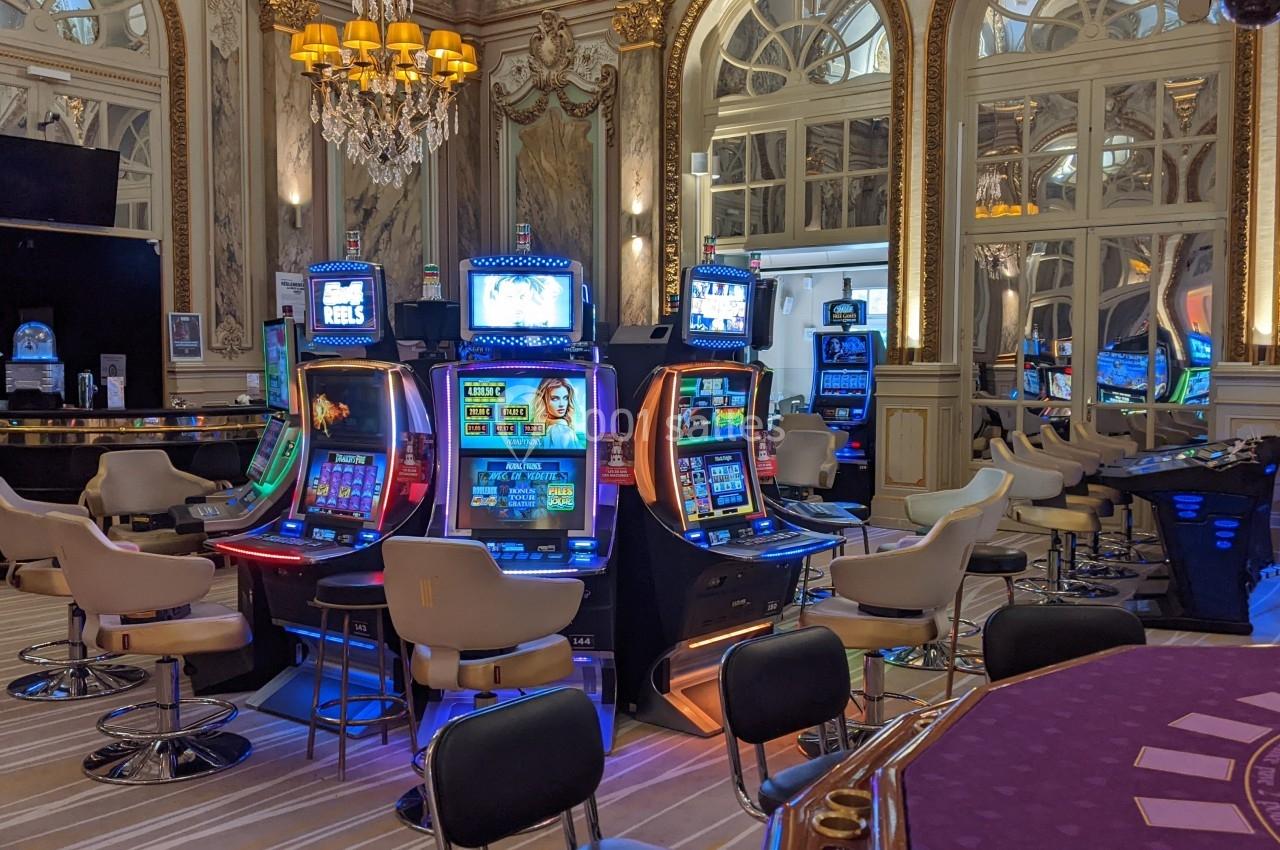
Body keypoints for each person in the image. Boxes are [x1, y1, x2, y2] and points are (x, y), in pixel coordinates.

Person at [532, 377, 581, 449]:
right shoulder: (561, 430)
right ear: (543, 400)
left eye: (565, 398)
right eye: (555, 399)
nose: (562, 404)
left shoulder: (544, 429)